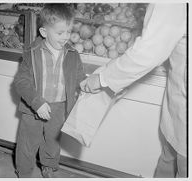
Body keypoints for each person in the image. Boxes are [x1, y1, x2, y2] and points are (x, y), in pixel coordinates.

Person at [80, 3, 187, 178]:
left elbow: (147, 52)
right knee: (169, 157)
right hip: (179, 102)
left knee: (182, 163)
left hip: (184, 107)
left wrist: (103, 79)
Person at [14, 4, 85, 178]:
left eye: (68, 32)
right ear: (44, 32)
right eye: (60, 33)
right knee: (27, 143)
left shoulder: (73, 54)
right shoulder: (31, 52)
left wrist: (91, 86)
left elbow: (79, 78)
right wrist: (37, 102)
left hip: (59, 106)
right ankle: (24, 172)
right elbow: (21, 82)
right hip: (33, 107)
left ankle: (49, 166)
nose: (66, 37)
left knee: (52, 141)